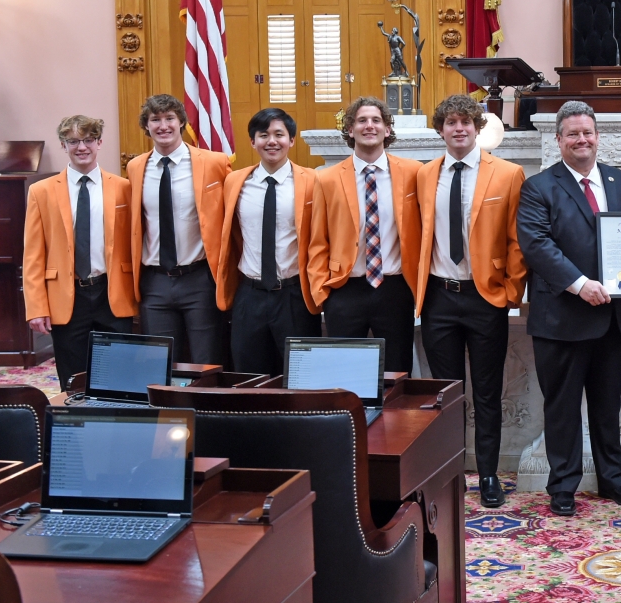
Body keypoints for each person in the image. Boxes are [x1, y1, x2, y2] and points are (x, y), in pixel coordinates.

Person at [517, 101, 621, 517]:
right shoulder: (538, 187)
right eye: (573, 134)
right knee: (562, 407)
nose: (582, 140)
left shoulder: (620, 182)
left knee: (608, 406)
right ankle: (562, 486)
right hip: (562, 318)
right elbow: (537, 246)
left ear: (598, 136)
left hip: (613, 320)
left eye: (588, 133)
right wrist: (581, 285)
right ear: (559, 140)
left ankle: (612, 481)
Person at [414, 95, 527, 509]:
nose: (458, 128)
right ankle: (449, 474)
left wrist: (512, 291)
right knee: (445, 395)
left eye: (465, 121)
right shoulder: (425, 175)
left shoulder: (508, 173)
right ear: (440, 129)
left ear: (478, 127)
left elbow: (517, 238)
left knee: (486, 392)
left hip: (485, 297)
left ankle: (490, 474)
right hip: (440, 297)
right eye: (450, 122)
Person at [308, 97, 422, 372]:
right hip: (346, 289)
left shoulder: (414, 173)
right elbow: (317, 241)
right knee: (347, 374)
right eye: (361, 120)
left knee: (397, 373)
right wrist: (322, 292)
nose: (369, 126)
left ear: (388, 129)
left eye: (376, 120)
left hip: (394, 289)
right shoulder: (326, 179)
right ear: (350, 129)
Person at [23, 115, 136, 386]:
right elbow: (33, 254)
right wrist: (36, 307)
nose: (81, 147)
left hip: (111, 292)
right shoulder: (42, 191)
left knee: (117, 377)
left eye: (87, 140)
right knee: (74, 379)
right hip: (67, 295)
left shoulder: (123, 188)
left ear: (99, 142)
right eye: (73, 141)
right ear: (63, 145)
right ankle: (77, 422)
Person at [215, 108, 322, 376]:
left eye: (279, 134)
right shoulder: (235, 182)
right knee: (249, 376)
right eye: (264, 135)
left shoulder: (312, 181)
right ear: (253, 141)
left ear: (291, 140)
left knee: (299, 376)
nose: (271, 141)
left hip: (294, 295)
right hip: (249, 295)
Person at [127, 95, 232, 364]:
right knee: (160, 361)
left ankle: (206, 406)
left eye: (169, 118)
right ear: (146, 126)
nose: (163, 126)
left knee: (207, 361)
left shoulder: (214, 163)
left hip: (199, 279)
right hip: (155, 281)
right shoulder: (136, 167)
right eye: (155, 120)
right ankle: (167, 407)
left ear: (182, 122)